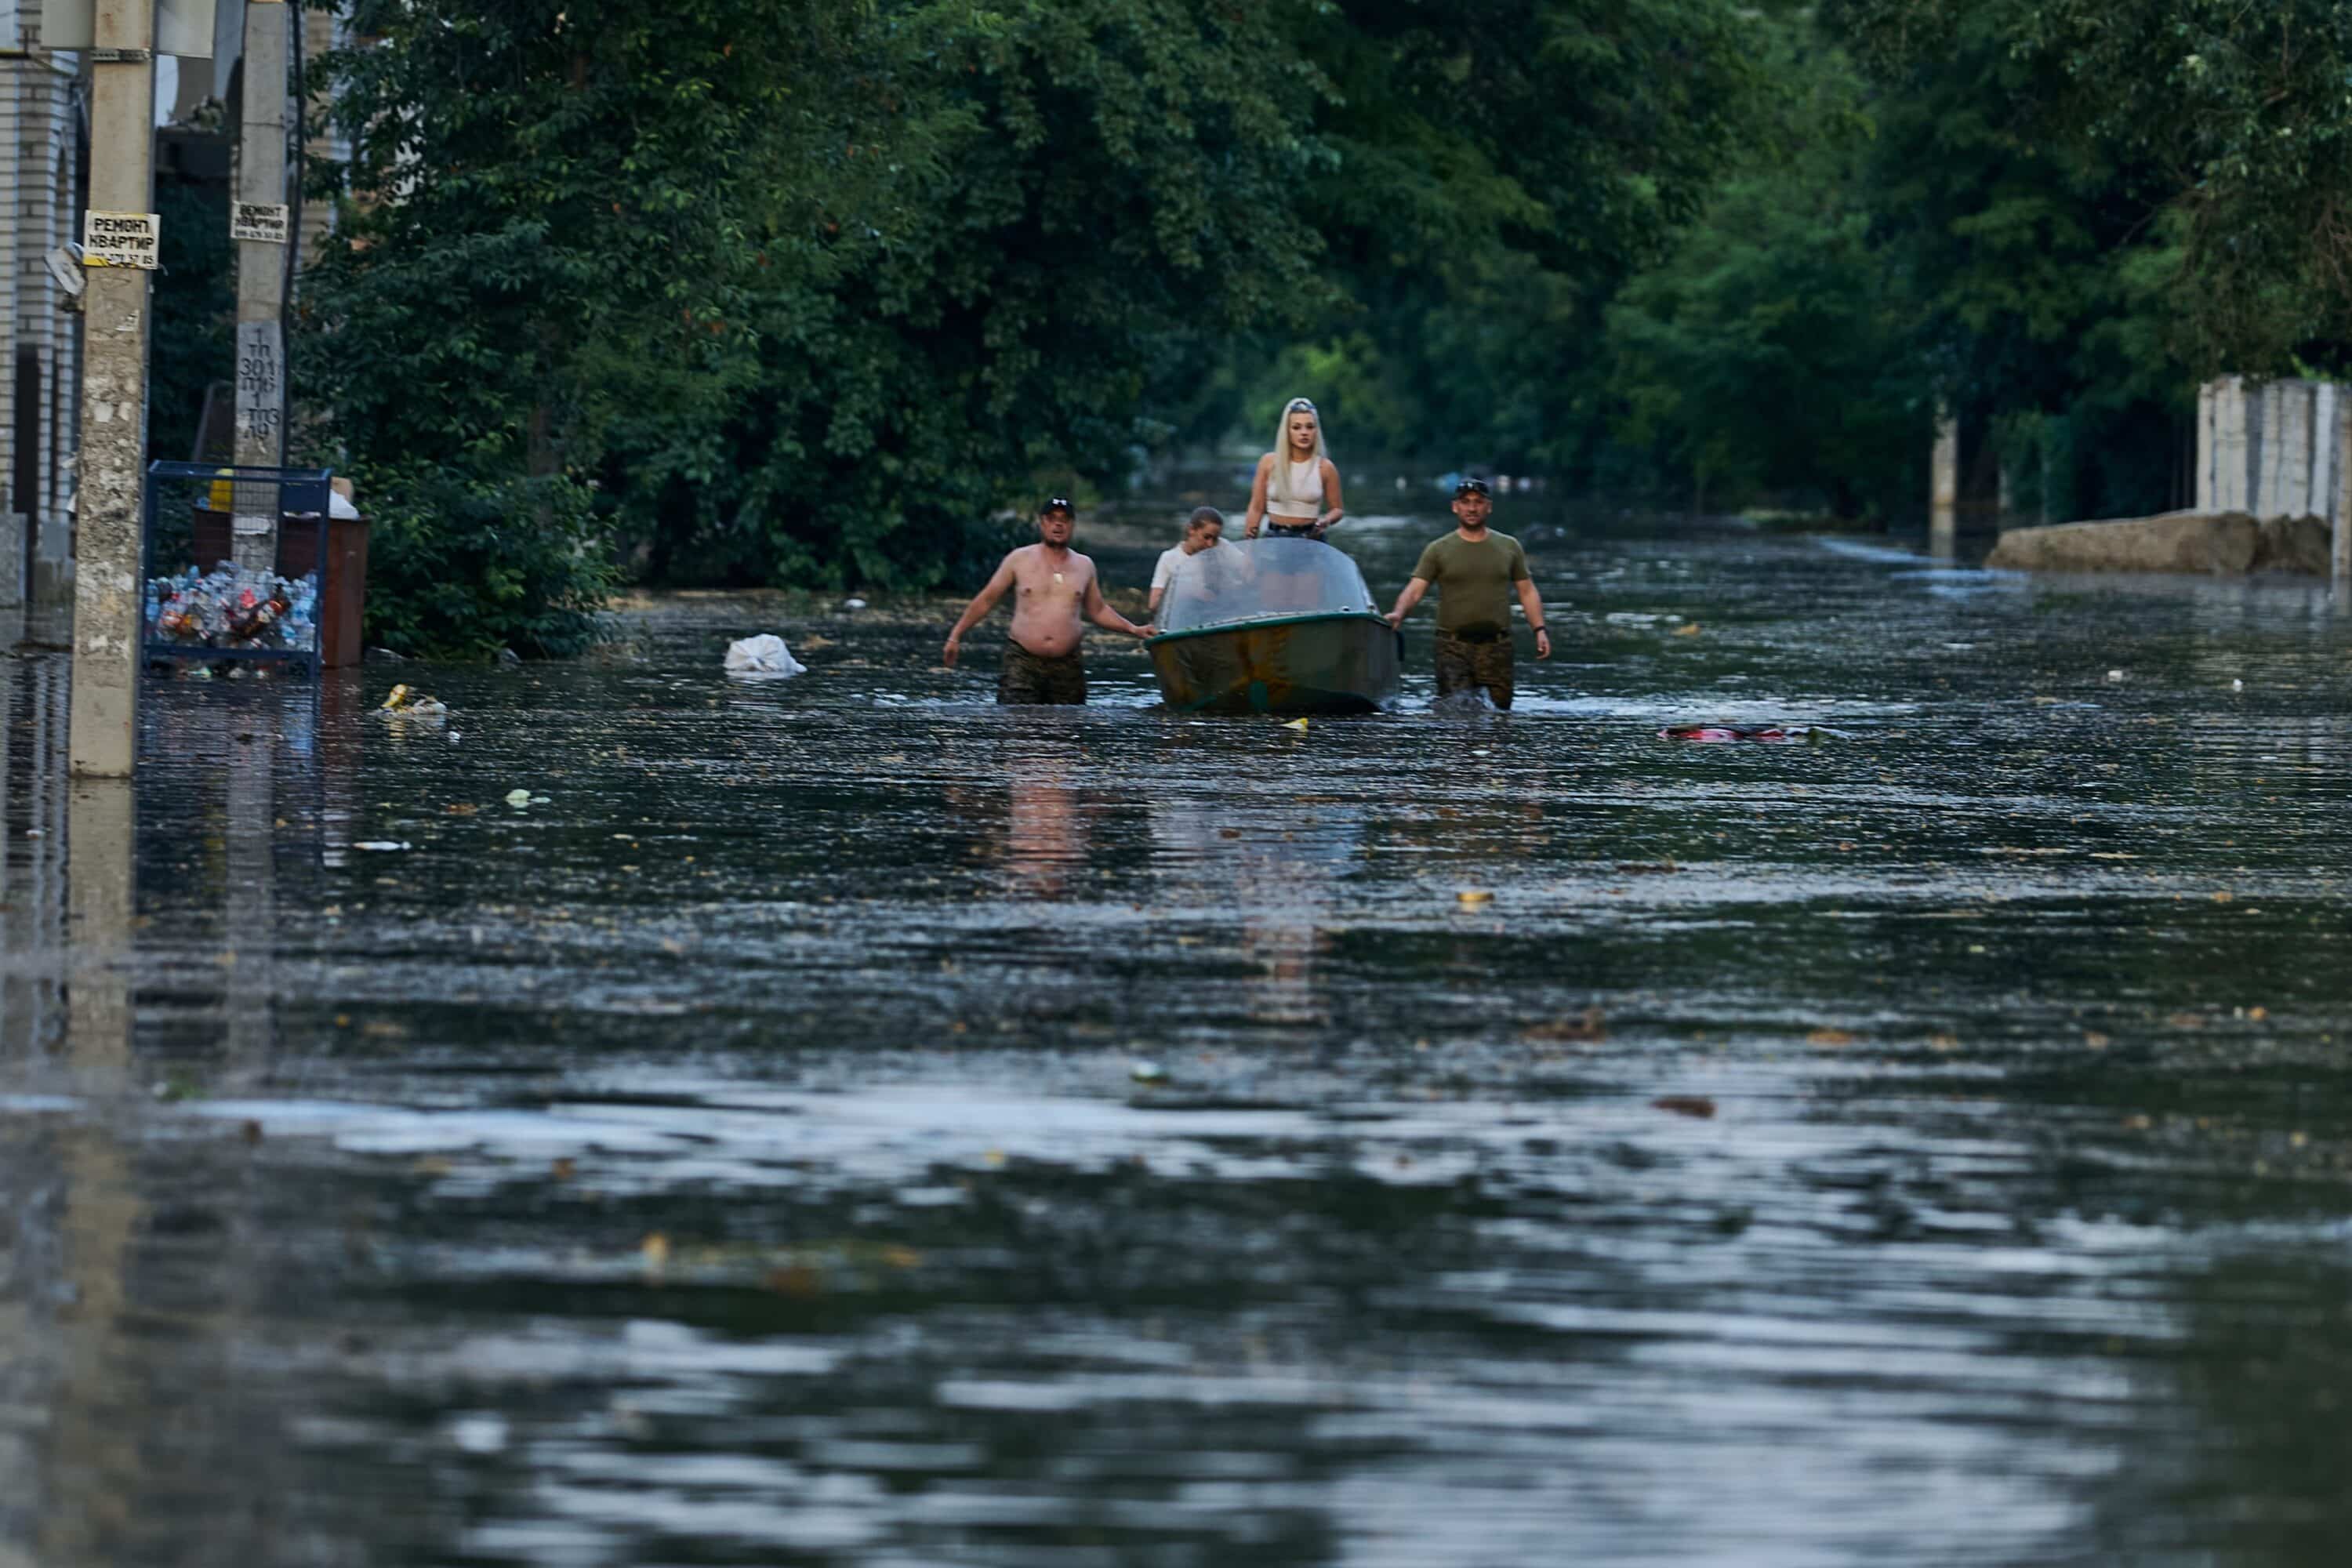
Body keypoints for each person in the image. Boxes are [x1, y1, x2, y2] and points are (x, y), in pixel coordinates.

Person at [942, 496, 1150, 704]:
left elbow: (1098, 610)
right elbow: (987, 600)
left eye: (1065, 519)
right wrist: (956, 635)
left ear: (1072, 525)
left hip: (1068, 663)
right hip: (1023, 660)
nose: (1058, 524)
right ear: (1042, 523)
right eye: (1052, 519)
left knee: (1068, 728)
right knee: (1016, 725)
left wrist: (1134, 629)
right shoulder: (1019, 559)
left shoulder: (1084, 565)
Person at [1385, 476, 1552, 709]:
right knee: (1457, 716)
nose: (1472, 508)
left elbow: (1527, 591)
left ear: (1489, 507)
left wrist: (1539, 629)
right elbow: (1415, 589)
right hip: (1453, 647)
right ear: (1455, 507)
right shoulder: (1438, 549)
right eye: (1466, 502)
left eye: (1478, 502)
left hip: (1497, 646)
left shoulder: (1509, 547)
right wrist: (1398, 614)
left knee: (1499, 716)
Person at [1243, 397, 1345, 539]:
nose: (1304, 433)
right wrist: (1249, 545)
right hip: (1275, 539)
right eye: (1297, 427)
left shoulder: (1325, 467)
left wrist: (1325, 521)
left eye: (1310, 427)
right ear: (1287, 431)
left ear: (1316, 430)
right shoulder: (1269, 462)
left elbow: (1337, 509)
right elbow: (1256, 507)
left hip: (1311, 539)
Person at [1149, 507, 1225, 620]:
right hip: (1182, 620)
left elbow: (1247, 570)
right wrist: (1189, 593)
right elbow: (1153, 604)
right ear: (1191, 530)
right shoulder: (1169, 558)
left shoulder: (1222, 548)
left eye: (1215, 539)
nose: (1210, 544)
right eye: (1206, 537)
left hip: (1215, 617)